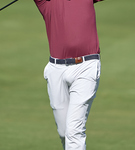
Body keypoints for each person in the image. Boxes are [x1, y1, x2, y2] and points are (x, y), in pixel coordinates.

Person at [33, 0, 103, 150]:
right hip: (56, 69)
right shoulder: (45, 2)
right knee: (64, 132)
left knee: (74, 131)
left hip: (86, 66)